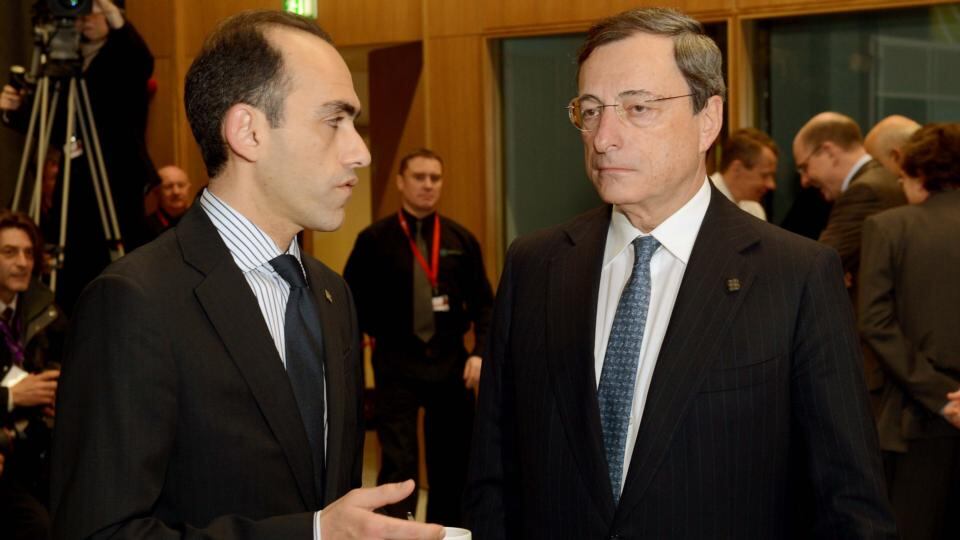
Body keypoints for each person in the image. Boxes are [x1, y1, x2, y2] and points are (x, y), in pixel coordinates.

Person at [464, 8, 895, 538]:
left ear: (707, 119)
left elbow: (849, 502)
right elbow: (493, 477)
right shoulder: (535, 265)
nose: (603, 138)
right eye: (591, 110)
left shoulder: (796, 275)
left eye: (637, 107)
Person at [49, 10, 444, 539]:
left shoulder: (332, 295)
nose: (362, 152)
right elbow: (98, 532)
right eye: (334, 120)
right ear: (248, 132)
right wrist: (314, 535)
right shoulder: (134, 301)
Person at [343, 148, 493, 525]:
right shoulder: (374, 241)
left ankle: (448, 531)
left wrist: (480, 353)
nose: (428, 185)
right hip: (396, 366)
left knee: (452, 462)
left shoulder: (461, 239)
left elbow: (485, 305)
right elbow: (349, 309)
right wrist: (354, 376)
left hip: (451, 367)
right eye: (419, 177)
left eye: (435, 178)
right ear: (400, 182)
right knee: (398, 462)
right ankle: (396, 530)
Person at [1, 0, 158, 314]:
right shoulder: (63, 61)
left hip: (114, 188)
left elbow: (142, 61)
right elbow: (55, 124)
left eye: (92, 10)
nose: (85, 19)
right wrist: (13, 111)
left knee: (120, 271)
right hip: (74, 189)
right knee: (73, 269)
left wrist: (113, 15)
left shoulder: (122, 54)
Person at [859, 123, 960, 540]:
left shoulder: (889, 227)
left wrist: (941, 397)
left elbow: (876, 323)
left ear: (918, 174)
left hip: (914, 416)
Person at [0, 210, 65, 539]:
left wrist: (56, 389)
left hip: (37, 445)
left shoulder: (40, 304)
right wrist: (12, 396)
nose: (22, 262)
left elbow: (63, 357)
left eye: (28, 253)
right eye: (9, 252)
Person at [709, 127, 778, 220]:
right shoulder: (701, 203)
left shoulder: (754, 210)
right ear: (737, 169)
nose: (771, 185)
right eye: (764, 175)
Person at [144, 165, 192, 239]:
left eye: (181, 185)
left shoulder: (200, 221)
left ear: (189, 188)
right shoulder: (146, 227)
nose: (176, 192)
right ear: (157, 191)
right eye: (168, 186)